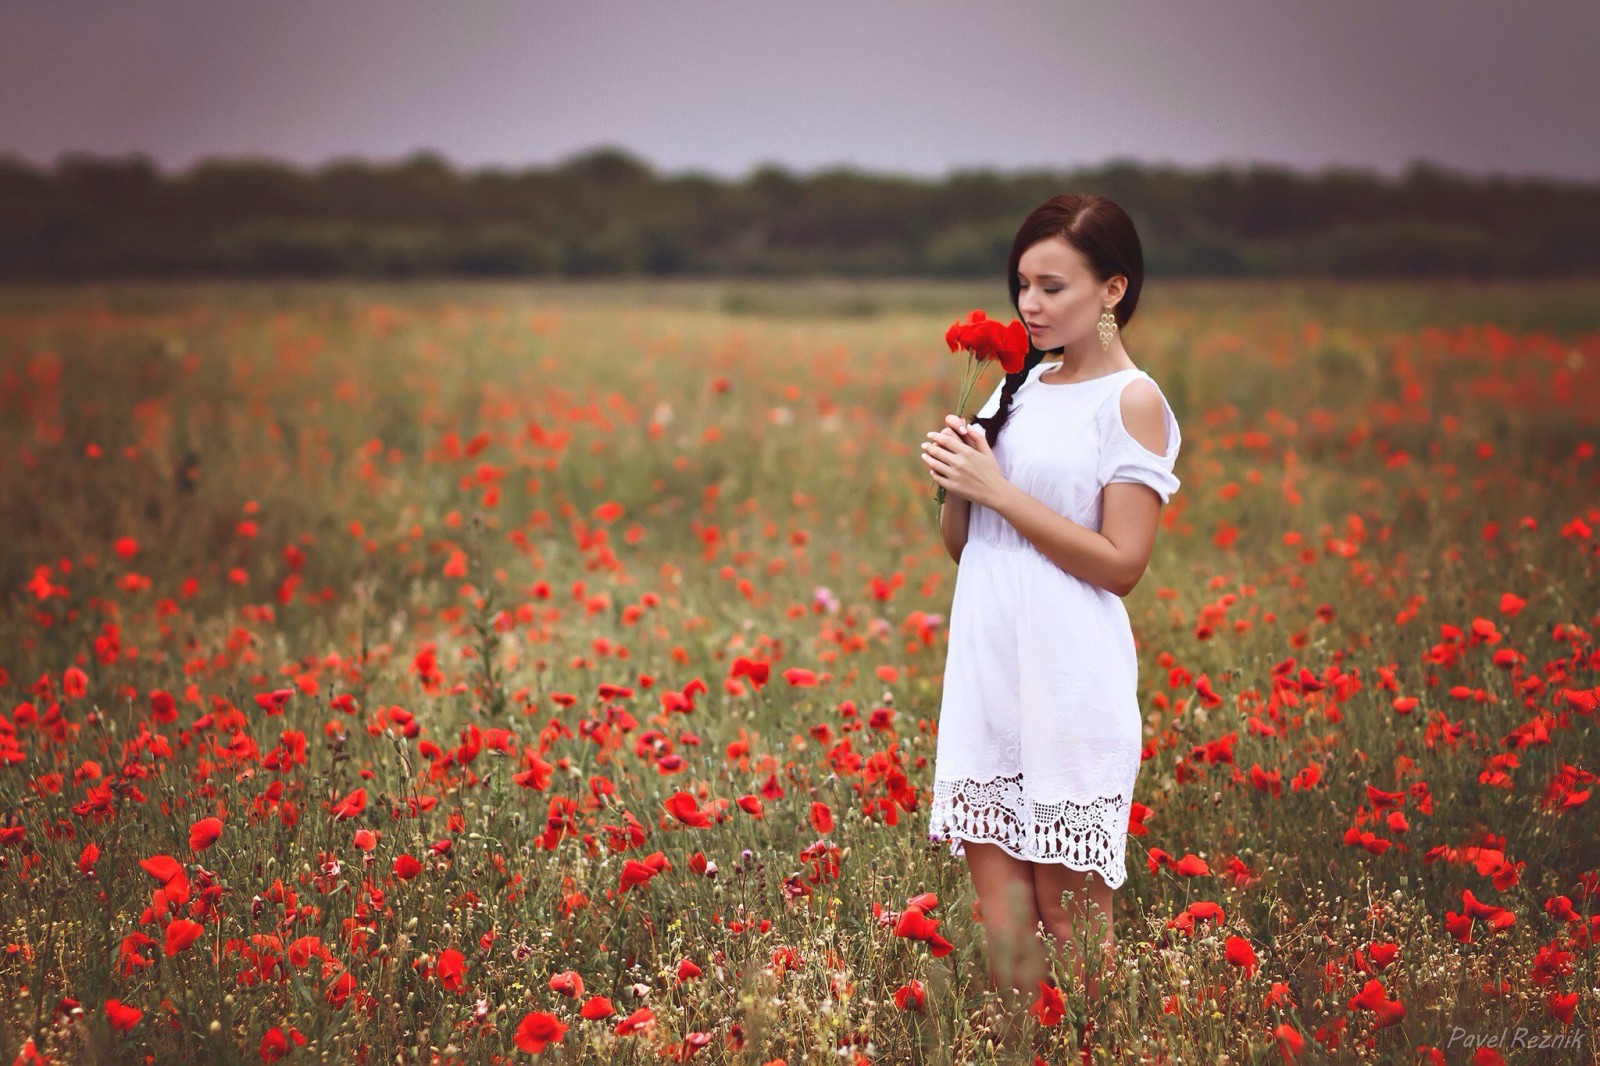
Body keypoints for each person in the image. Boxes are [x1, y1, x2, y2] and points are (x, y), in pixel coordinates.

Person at [921, 193, 1182, 1053]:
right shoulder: (1016, 385)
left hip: (1070, 678)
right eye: (1022, 285)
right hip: (989, 668)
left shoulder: (1133, 401)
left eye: (1052, 286)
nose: (1029, 305)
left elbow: (1122, 563)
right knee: (1006, 939)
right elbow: (972, 547)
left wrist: (1002, 491)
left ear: (1113, 289)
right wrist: (960, 481)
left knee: (1075, 936)